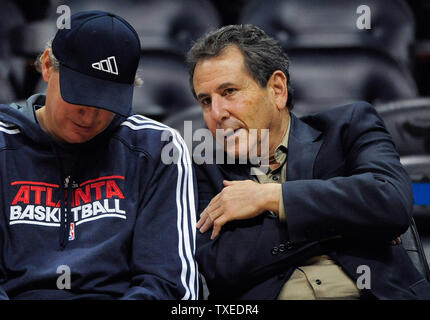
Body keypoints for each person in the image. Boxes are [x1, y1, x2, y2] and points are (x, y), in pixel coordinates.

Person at [187, 24, 430, 299]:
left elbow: (390, 202)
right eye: (206, 101)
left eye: (229, 91)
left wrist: (271, 197)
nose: (217, 112)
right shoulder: (202, 168)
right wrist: (348, 223)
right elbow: (221, 266)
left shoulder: (349, 127)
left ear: (277, 89)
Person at [0, 10, 198, 299]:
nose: (90, 116)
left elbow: (170, 285)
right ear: (46, 66)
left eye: (106, 102)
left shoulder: (158, 148)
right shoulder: (4, 142)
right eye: (79, 96)